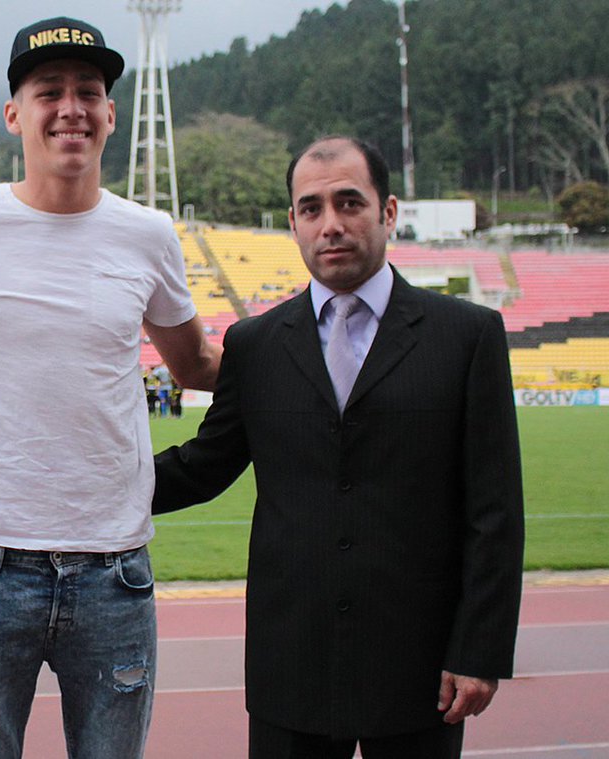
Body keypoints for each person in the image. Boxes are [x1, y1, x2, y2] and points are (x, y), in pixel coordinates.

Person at [0, 16, 221, 759]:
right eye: (49, 92)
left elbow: (197, 366)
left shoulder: (148, 234)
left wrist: (306, 362)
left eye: (88, 92)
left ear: (111, 114)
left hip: (115, 569)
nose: (70, 108)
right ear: (14, 114)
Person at [154, 136, 525, 758]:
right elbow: (202, 467)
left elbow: (495, 510)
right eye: (311, 208)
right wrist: (80, 486)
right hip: (290, 660)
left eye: (349, 203)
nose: (330, 224)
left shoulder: (467, 336)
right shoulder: (255, 344)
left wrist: (479, 651)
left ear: (388, 212)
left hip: (420, 664)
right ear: (293, 223)